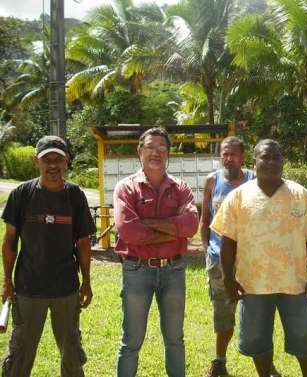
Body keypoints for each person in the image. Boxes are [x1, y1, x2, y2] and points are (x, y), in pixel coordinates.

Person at [210, 139, 307, 377]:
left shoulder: (301, 195)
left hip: (295, 283)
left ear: (283, 161)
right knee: (257, 338)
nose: (271, 162)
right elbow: (228, 242)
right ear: (254, 161)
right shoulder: (238, 197)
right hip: (253, 284)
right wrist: (228, 278)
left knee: (304, 337)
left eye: (276, 157)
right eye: (265, 157)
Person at [1, 135, 95, 377]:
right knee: (19, 355)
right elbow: (9, 240)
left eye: (59, 159)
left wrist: (86, 281)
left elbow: (84, 243)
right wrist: (7, 281)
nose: (53, 165)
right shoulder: (22, 194)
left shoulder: (75, 196)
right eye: (47, 159)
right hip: (28, 288)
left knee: (71, 354)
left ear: (67, 162)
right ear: (37, 161)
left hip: (66, 288)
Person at [113, 127, 199, 377]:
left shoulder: (180, 187)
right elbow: (128, 231)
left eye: (162, 148)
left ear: (169, 154)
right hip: (137, 269)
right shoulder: (126, 188)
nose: (156, 153)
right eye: (150, 147)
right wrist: (173, 227)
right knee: (131, 341)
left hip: (174, 269)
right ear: (139, 151)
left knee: (175, 339)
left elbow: (191, 225)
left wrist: (147, 223)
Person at [201, 137, 281, 377]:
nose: (229, 158)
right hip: (218, 261)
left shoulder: (255, 180)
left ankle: (268, 367)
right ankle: (219, 362)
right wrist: (208, 250)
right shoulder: (212, 181)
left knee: (259, 314)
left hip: (251, 261)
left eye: (234, 154)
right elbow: (205, 220)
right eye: (225, 154)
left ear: (243, 157)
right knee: (223, 315)